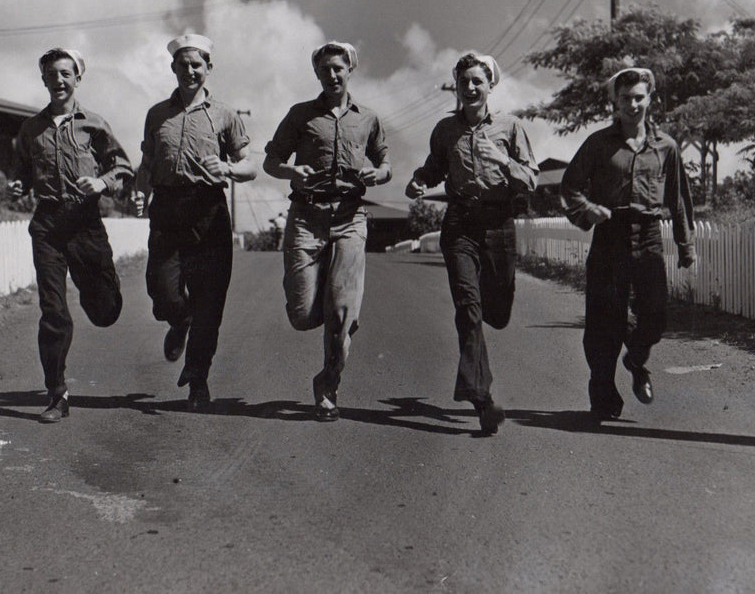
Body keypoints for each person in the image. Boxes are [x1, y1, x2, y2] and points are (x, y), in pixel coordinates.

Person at [405, 52, 538, 435]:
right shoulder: (446, 130)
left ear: (490, 85)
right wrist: (418, 182)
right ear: (458, 88)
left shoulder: (511, 128)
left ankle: (479, 383)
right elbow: (433, 166)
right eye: (464, 82)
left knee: (497, 312)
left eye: (478, 81)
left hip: (498, 224)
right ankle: (482, 398)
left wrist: (503, 160)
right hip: (460, 223)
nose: (471, 88)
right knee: (468, 308)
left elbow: (530, 179)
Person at [263, 41, 391, 422]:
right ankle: (338, 309)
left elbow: (386, 164)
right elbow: (271, 161)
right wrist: (291, 172)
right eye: (325, 70)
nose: (333, 75)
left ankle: (328, 385)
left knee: (340, 314)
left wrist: (378, 174)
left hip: (350, 218)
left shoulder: (367, 118)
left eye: (339, 68)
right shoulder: (301, 115)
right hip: (306, 218)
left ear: (350, 70)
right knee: (302, 315)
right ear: (317, 74)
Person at [560, 66, 696, 421]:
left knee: (656, 315)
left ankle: (635, 358)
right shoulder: (598, 144)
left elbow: (678, 199)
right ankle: (603, 394)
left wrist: (686, 245)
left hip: (648, 236)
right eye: (625, 99)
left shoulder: (666, 147)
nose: (633, 104)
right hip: (610, 236)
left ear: (650, 100)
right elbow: (569, 187)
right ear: (614, 103)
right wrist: (589, 211)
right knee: (605, 322)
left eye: (639, 97)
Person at [9, 48, 133, 423]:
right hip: (47, 225)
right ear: (43, 80)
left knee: (105, 311)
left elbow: (123, 167)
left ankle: (103, 296)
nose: (59, 80)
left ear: (78, 78)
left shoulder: (93, 124)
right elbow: (22, 171)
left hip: (85, 224)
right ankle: (57, 393)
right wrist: (18, 184)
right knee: (53, 310)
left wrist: (101, 182)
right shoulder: (31, 129)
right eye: (51, 74)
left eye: (66, 73)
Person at [132, 33, 255, 411]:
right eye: (183, 64)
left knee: (209, 303)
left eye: (197, 64)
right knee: (162, 291)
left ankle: (198, 379)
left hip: (209, 212)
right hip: (167, 211)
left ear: (208, 69)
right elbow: (147, 164)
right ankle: (178, 320)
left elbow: (250, 165)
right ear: (173, 68)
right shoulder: (157, 114)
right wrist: (140, 191)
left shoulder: (225, 115)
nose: (190, 71)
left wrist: (231, 168)